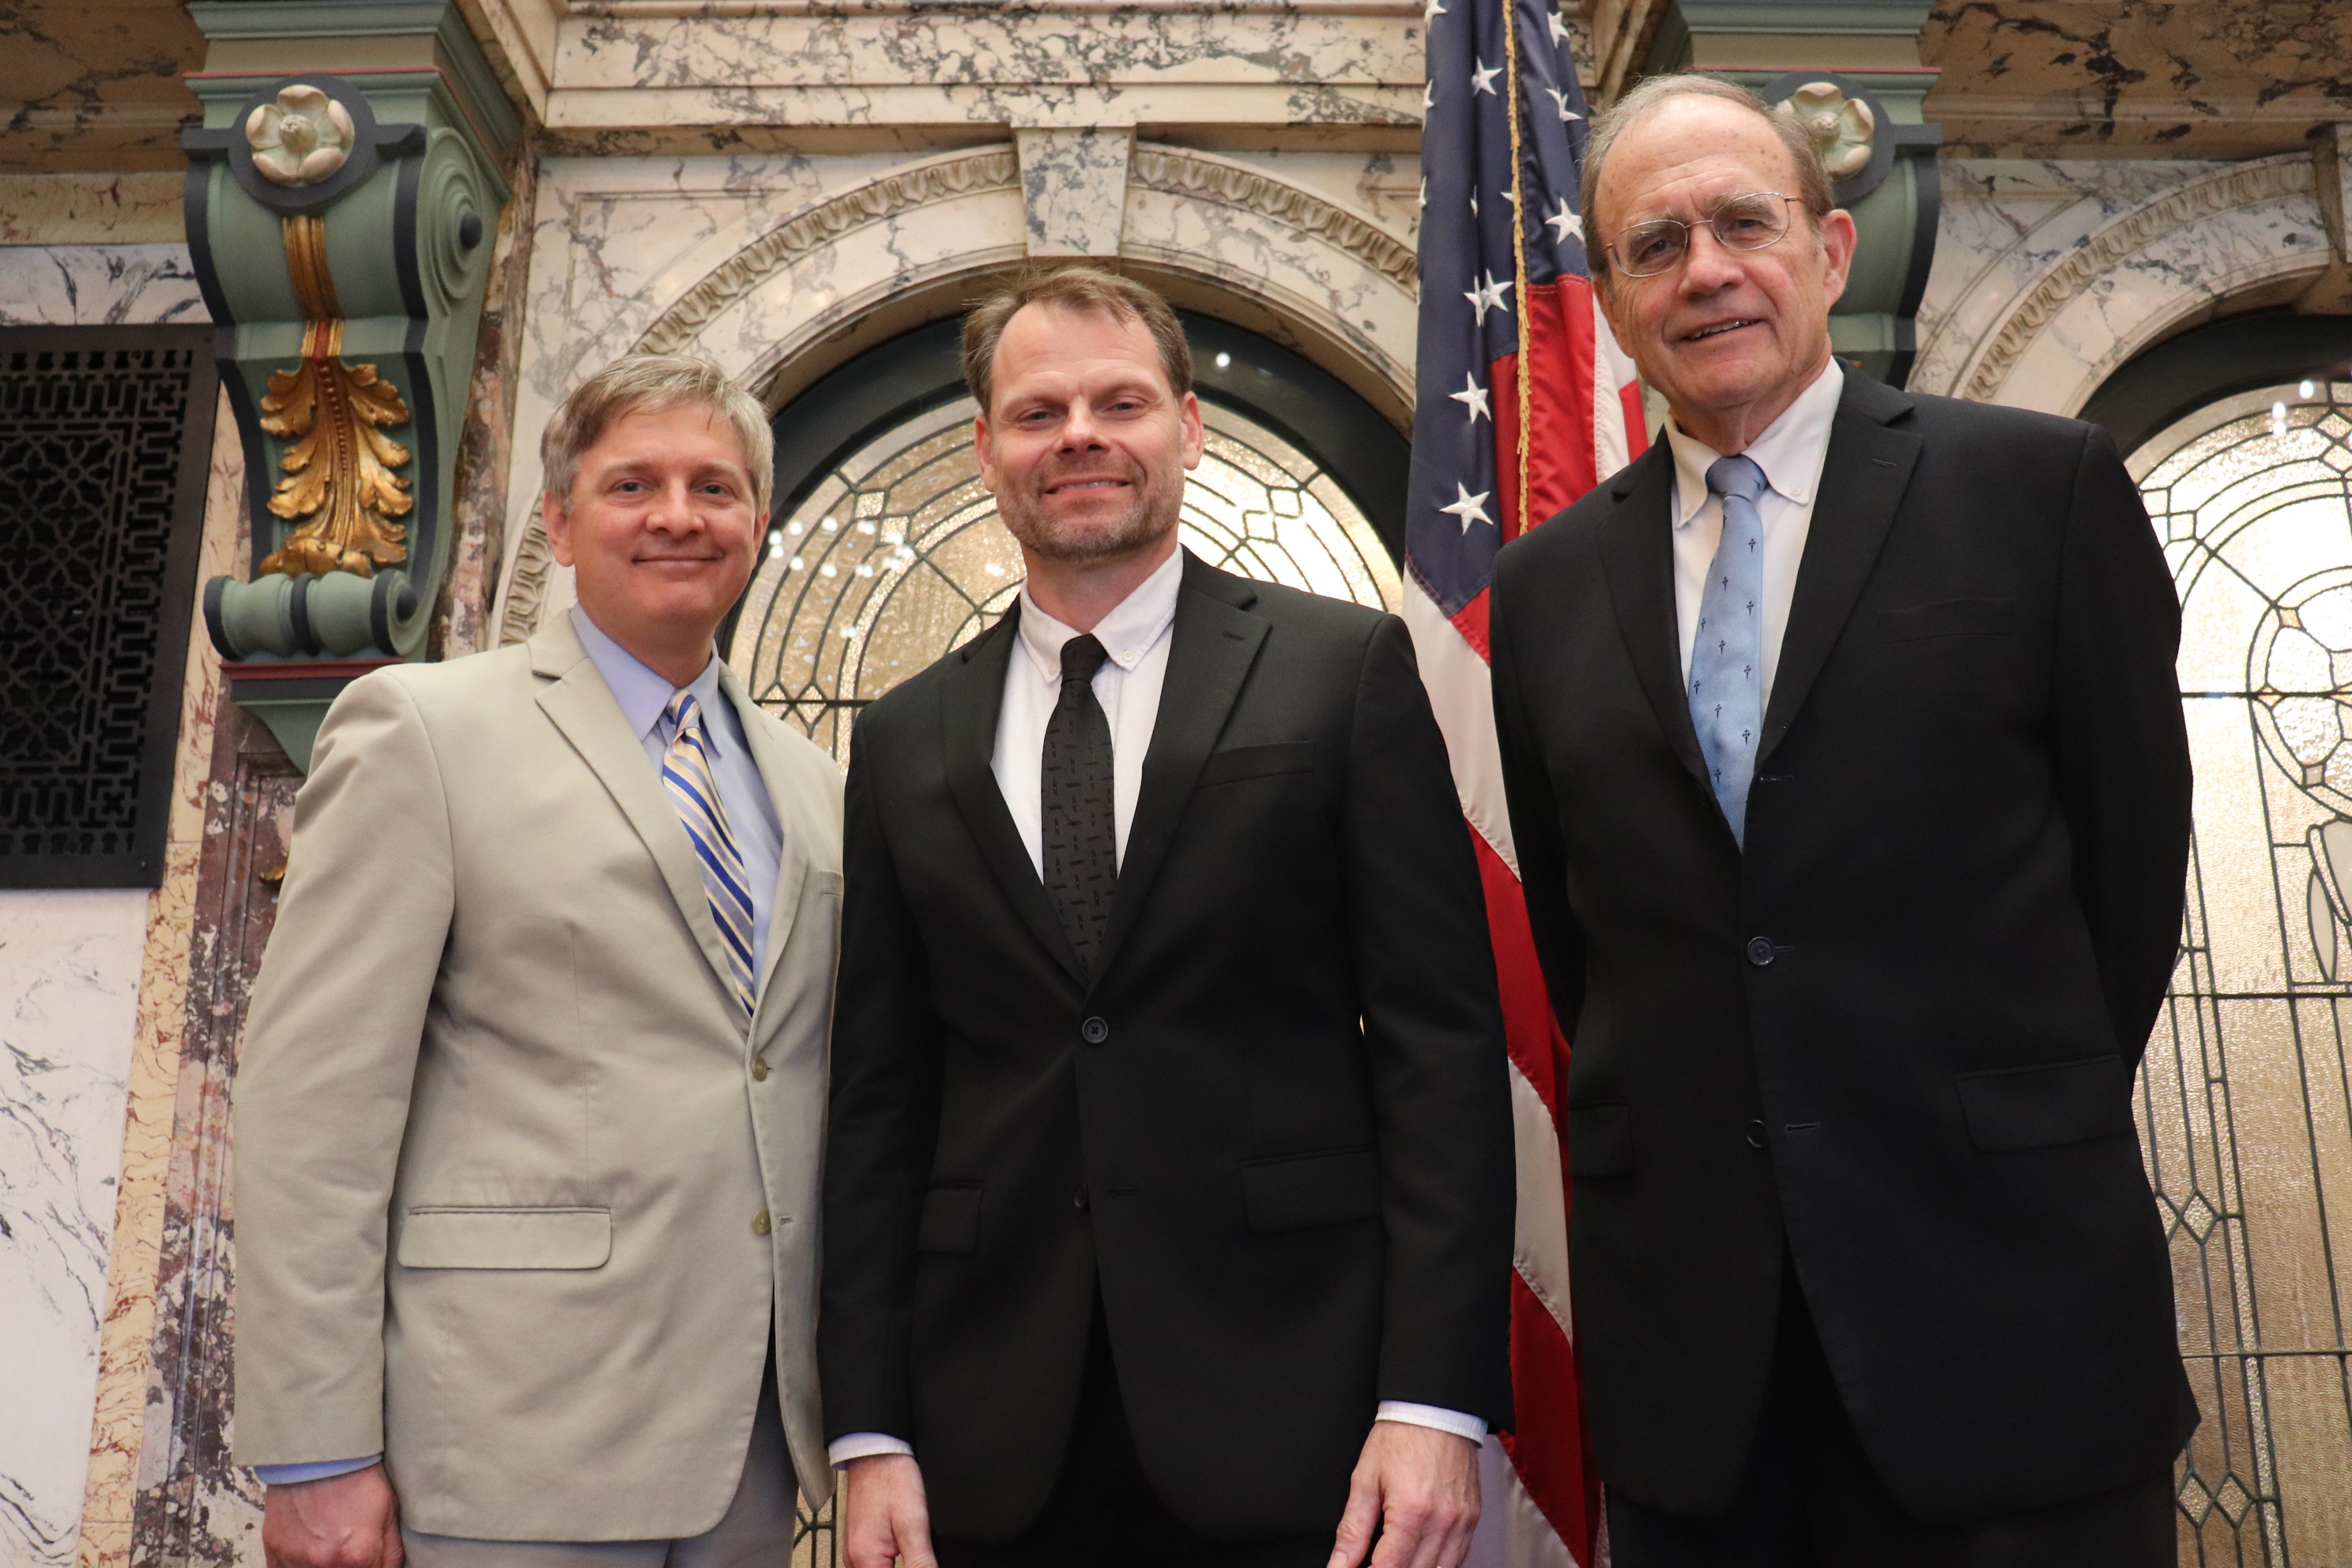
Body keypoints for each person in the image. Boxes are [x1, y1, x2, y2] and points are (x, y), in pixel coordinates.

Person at [1487, 74, 2196, 1566]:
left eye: (1743, 223)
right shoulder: (1546, 589)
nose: (1707, 271)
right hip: (1703, 1379)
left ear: (1827, 251)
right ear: (1614, 305)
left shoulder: (2039, 493)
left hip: (2007, 1327)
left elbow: (2128, 884)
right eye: (1657, 244)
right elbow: (1582, 938)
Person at [818, 266, 1515, 1568]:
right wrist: (868, 1429)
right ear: (984, 450)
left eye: (1120, 402)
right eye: (1039, 412)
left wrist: (1432, 1403)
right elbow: (878, 1100)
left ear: (1187, 428)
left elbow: (1442, 1055)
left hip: (1299, 1408)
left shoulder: (1343, 669)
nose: (1079, 435)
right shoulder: (907, 733)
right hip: (991, 1427)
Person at [234, 354, 844, 1568]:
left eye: (714, 487)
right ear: (560, 523)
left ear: (758, 523)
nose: (679, 516)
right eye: (633, 485)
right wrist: (315, 1453)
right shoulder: (423, 731)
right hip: (502, 1442)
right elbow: (314, 1109)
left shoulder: (816, 786)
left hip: (750, 1456)